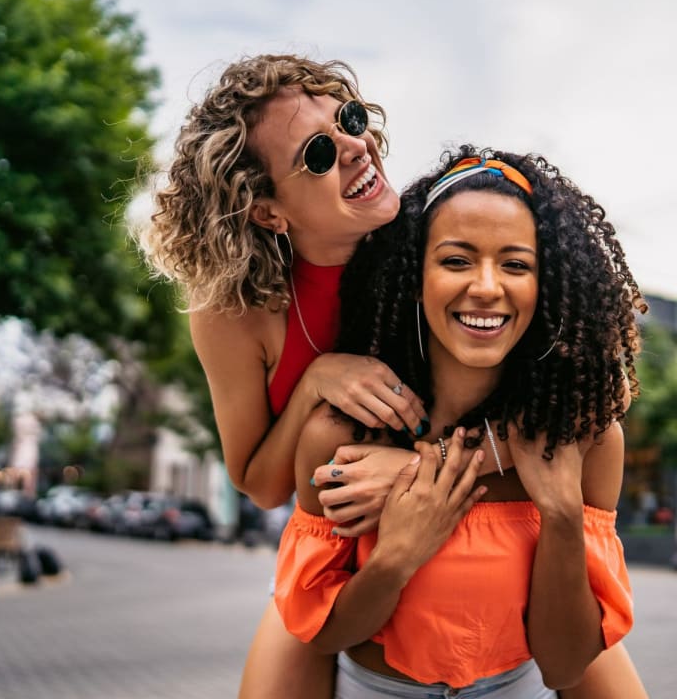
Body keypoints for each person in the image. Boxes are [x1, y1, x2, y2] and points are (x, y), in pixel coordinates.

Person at [275, 147, 649, 698]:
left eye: (516, 265)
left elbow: (566, 668)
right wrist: (398, 554)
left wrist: (562, 514)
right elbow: (326, 633)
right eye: (456, 260)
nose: (487, 287)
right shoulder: (343, 434)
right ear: (414, 276)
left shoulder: (582, 440)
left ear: (544, 287)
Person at [136, 54, 429, 698]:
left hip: (460, 524)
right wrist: (315, 383)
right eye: (318, 154)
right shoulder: (233, 313)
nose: (356, 147)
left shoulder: (443, 246)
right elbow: (258, 484)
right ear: (268, 210)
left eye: (350, 120)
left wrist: (413, 473)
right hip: (327, 555)